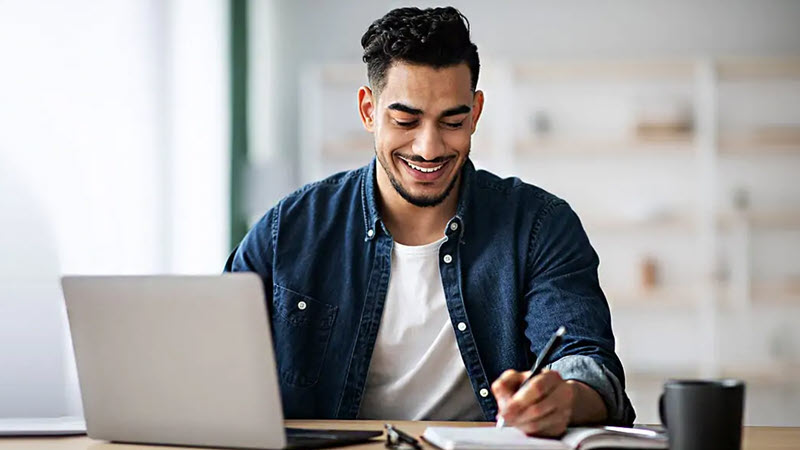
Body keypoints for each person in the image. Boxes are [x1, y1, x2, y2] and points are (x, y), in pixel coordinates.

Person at [226, 6, 635, 436]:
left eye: (453, 121)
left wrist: (563, 398)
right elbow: (217, 366)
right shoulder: (288, 229)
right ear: (368, 111)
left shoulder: (539, 226)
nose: (429, 148)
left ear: (475, 112)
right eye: (406, 120)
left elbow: (589, 365)